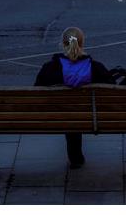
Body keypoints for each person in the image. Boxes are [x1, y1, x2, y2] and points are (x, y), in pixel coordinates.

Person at [34, 27, 114, 169]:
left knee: (69, 113)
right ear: (82, 43)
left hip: (56, 116)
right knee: (76, 112)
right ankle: (76, 157)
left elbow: (36, 93)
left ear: (62, 44)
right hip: (92, 116)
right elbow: (113, 91)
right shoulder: (96, 68)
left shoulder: (50, 68)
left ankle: (75, 157)